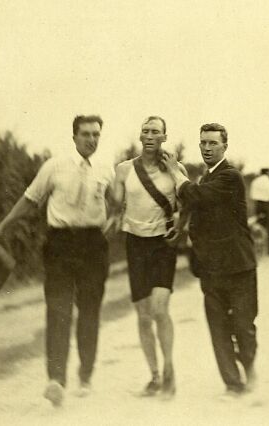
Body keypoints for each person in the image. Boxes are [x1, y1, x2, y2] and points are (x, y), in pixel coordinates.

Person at [0, 115, 114, 407]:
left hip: (93, 246)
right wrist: (3, 226)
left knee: (90, 311)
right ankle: (56, 380)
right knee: (58, 310)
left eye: (96, 134)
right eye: (85, 134)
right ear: (74, 137)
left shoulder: (107, 170)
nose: (91, 139)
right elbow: (30, 199)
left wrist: (111, 223)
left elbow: (117, 202)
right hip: (60, 245)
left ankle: (86, 373)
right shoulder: (54, 167)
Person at [162, 123, 258, 397]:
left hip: (239, 266)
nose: (206, 148)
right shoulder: (205, 180)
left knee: (243, 325)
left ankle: (249, 367)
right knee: (218, 327)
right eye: (203, 143)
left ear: (225, 147)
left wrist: (174, 173)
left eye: (212, 143)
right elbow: (191, 207)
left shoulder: (231, 177)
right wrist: (178, 231)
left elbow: (196, 196)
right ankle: (233, 384)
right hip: (210, 267)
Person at [111, 116, 188, 398]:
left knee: (159, 309)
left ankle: (169, 371)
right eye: (145, 131)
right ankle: (154, 377)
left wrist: (180, 224)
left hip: (162, 244)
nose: (150, 135)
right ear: (140, 136)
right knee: (143, 316)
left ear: (164, 137)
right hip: (135, 244)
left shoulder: (175, 169)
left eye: (156, 131)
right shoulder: (123, 169)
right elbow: (115, 202)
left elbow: (187, 204)